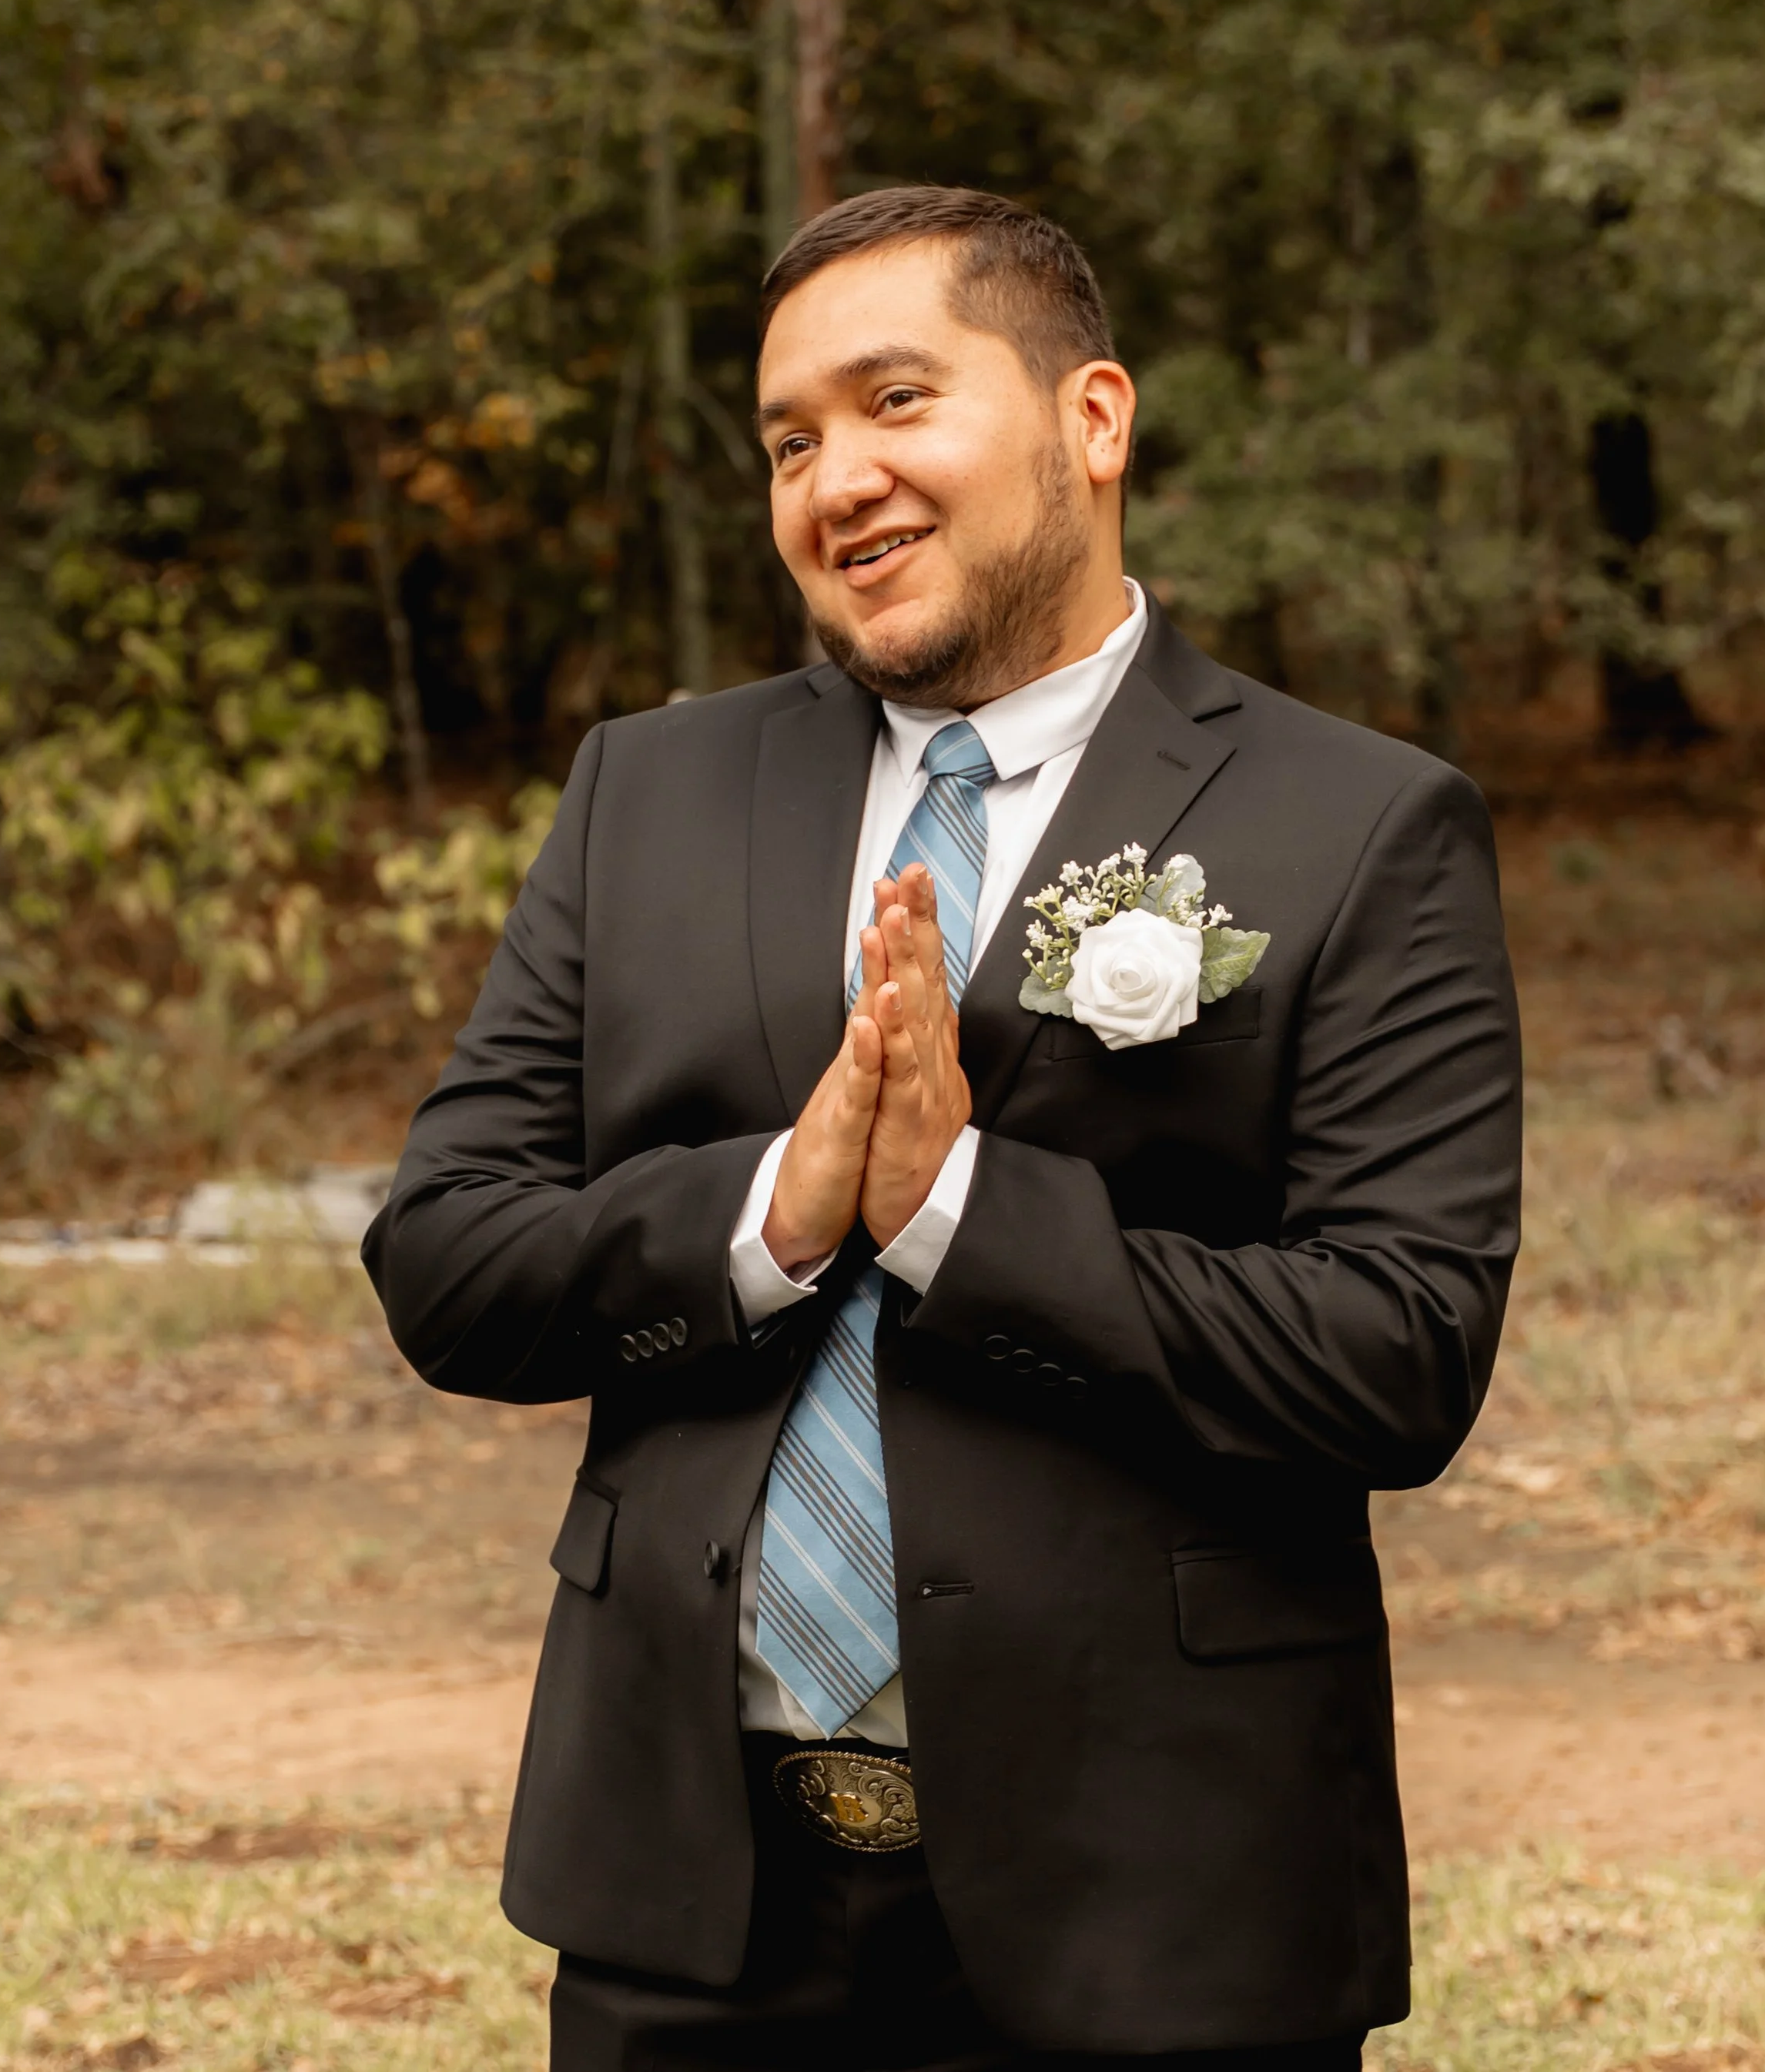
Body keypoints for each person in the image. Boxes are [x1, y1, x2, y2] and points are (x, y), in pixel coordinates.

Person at [363, 186, 1522, 2070]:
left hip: (1156, 1883)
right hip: (688, 1895)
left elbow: (1399, 1350)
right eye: (790, 440)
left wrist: (956, 1210)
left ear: (1092, 416)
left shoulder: (1360, 825)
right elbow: (443, 1258)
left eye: (896, 399)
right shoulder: (645, 792)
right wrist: (777, 1211)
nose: (837, 480)